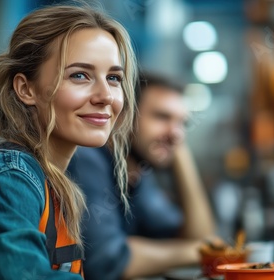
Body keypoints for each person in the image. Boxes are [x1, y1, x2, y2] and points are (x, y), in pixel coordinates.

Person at [0, 4, 137, 279]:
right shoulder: (8, 178)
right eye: (80, 75)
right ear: (26, 89)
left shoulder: (45, 178)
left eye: (114, 78)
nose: (105, 96)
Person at [68, 72, 215, 279]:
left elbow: (198, 235)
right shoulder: (87, 158)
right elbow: (106, 259)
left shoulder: (137, 173)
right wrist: (195, 252)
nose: (177, 133)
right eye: (162, 117)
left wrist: (181, 154)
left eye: (183, 123)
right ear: (123, 115)